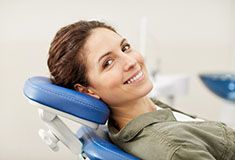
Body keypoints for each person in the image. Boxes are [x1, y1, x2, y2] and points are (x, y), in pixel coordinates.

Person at [47, 20, 235, 160]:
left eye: (125, 47)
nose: (131, 61)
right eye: (108, 63)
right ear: (88, 91)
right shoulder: (173, 148)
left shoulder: (151, 111)